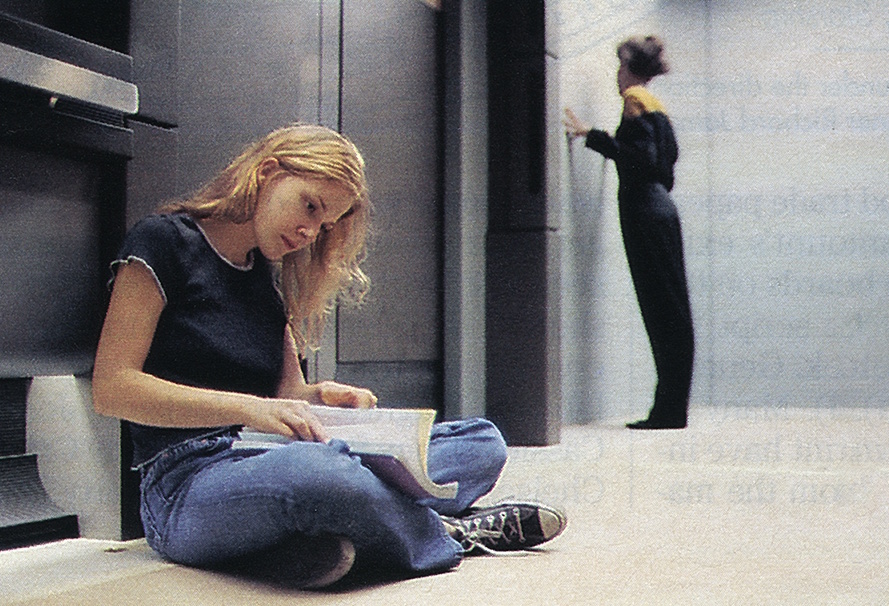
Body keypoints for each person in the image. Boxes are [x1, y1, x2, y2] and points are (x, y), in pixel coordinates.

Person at [92, 124, 566, 589]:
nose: (309, 231)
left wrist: (322, 397)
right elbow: (113, 388)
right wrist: (248, 408)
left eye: (324, 223)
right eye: (310, 205)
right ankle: (448, 533)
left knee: (480, 442)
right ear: (268, 171)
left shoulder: (264, 278)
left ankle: (335, 533)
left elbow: (286, 396)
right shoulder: (162, 241)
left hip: (271, 454)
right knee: (325, 476)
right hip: (185, 485)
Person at [564, 35, 694, 430]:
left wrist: (594, 136)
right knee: (673, 309)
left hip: (644, 214)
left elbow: (641, 158)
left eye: (620, 69)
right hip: (662, 211)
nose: (617, 78)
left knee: (660, 310)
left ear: (629, 70)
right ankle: (671, 408)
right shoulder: (659, 108)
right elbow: (665, 164)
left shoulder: (634, 100)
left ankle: (666, 411)